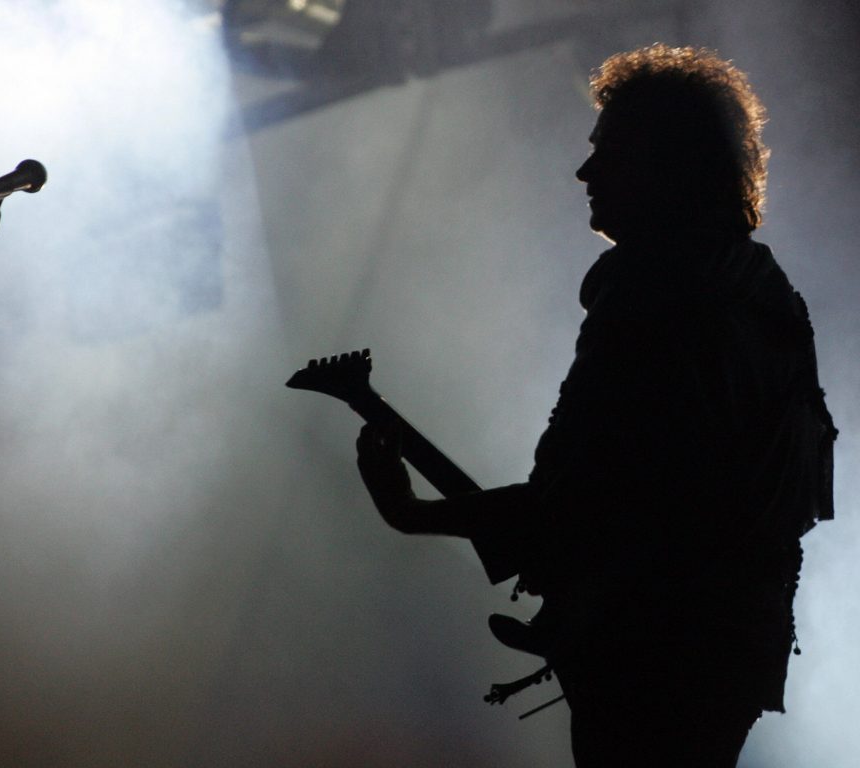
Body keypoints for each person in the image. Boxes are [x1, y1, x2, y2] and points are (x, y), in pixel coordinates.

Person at [355, 44, 836, 767]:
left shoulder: (653, 291)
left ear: (667, 168)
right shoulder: (767, 295)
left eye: (609, 153)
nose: (586, 173)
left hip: (649, 658)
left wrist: (412, 513)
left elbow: (582, 499)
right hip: (729, 654)